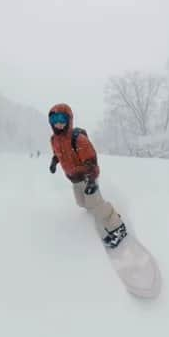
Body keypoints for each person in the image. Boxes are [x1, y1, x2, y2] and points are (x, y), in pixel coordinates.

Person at [48, 103, 127, 248]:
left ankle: (117, 227)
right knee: (81, 203)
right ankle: (100, 212)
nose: (58, 123)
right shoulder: (54, 140)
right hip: (74, 179)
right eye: (54, 120)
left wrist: (91, 181)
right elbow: (58, 153)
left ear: (69, 119)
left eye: (61, 119)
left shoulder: (78, 139)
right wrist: (54, 161)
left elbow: (91, 162)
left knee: (95, 204)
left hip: (86, 177)